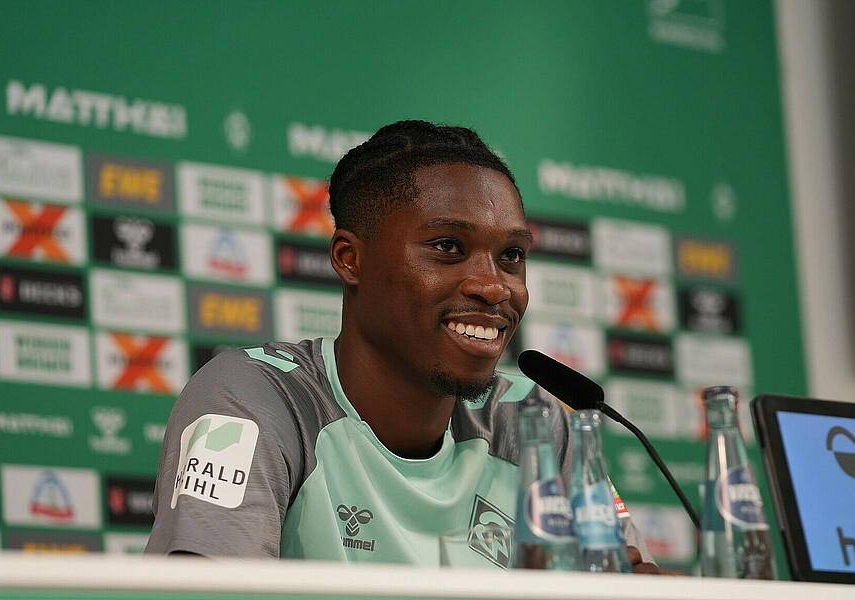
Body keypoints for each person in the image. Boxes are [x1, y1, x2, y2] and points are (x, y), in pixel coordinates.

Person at [146, 120, 658, 571]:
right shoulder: (253, 399)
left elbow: (629, 580)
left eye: (511, 255)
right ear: (350, 260)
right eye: (449, 248)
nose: (494, 286)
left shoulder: (534, 422)